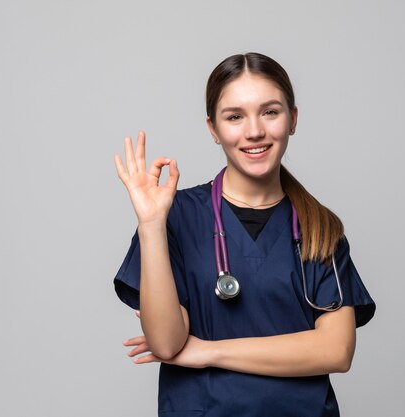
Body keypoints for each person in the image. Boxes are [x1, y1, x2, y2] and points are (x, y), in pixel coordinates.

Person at [113, 52, 376, 417]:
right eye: (234, 116)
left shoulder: (319, 227)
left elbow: (336, 351)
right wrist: (152, 225)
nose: (254, 131)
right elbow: (167, 342)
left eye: (270, 111)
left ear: (293, 119)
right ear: (213, 129)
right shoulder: (178, 217)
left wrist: (209, 351)